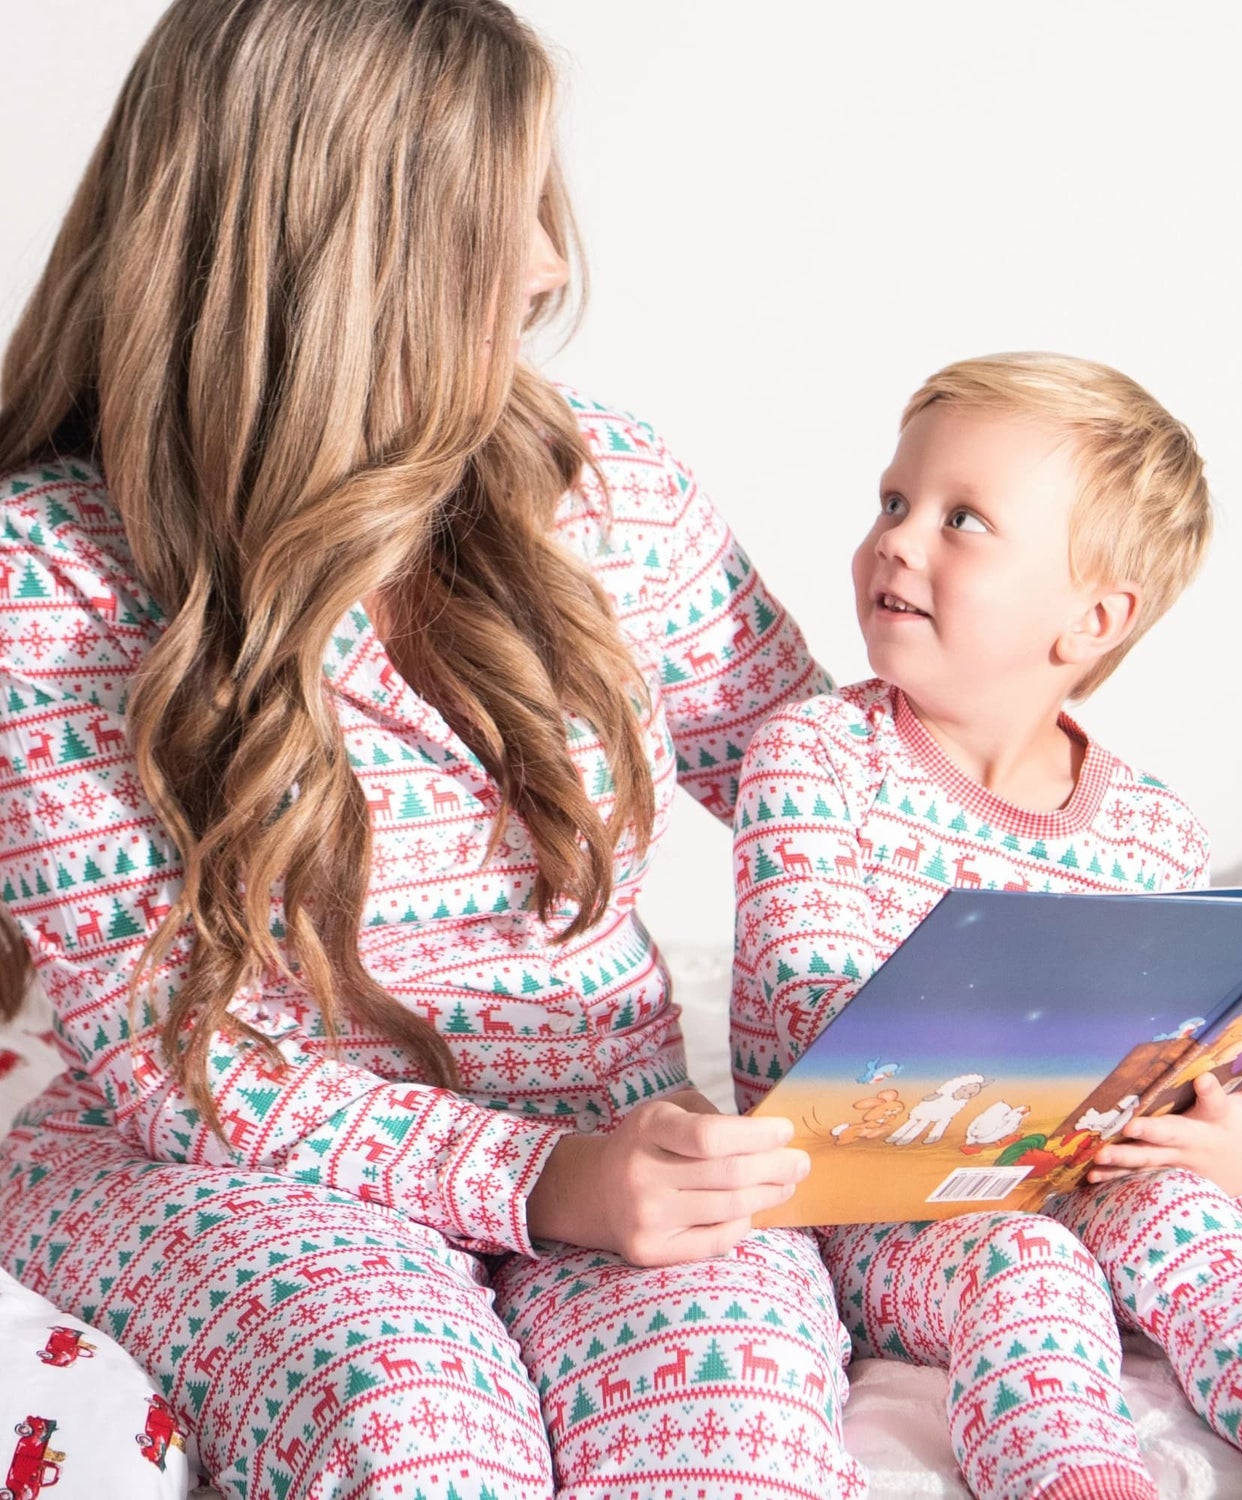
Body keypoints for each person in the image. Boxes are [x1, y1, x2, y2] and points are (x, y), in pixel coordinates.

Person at [0, 3, 868, 1498]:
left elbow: (837, 787)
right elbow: (181, 1067)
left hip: (609, 1130)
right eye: (499, 216)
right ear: (343, 254)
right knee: (407, 1421)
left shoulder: (604, 487)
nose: (548, 264)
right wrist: (539, 1184)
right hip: (220, 1166)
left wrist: (1144, 1040)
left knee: (731, 1437)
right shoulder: (45, 573)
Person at [729, 354, 1242, 1500]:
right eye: (894, 503)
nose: (898, 540)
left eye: (963, 521)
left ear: (1092, 619)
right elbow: (828, 1035)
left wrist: (1241, 1131)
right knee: (1028, 1260)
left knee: (1190, 1219)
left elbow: (1166, 1092)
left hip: (1071, 1175)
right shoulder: (812, 758)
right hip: (862, 1209)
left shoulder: (1151, 830)